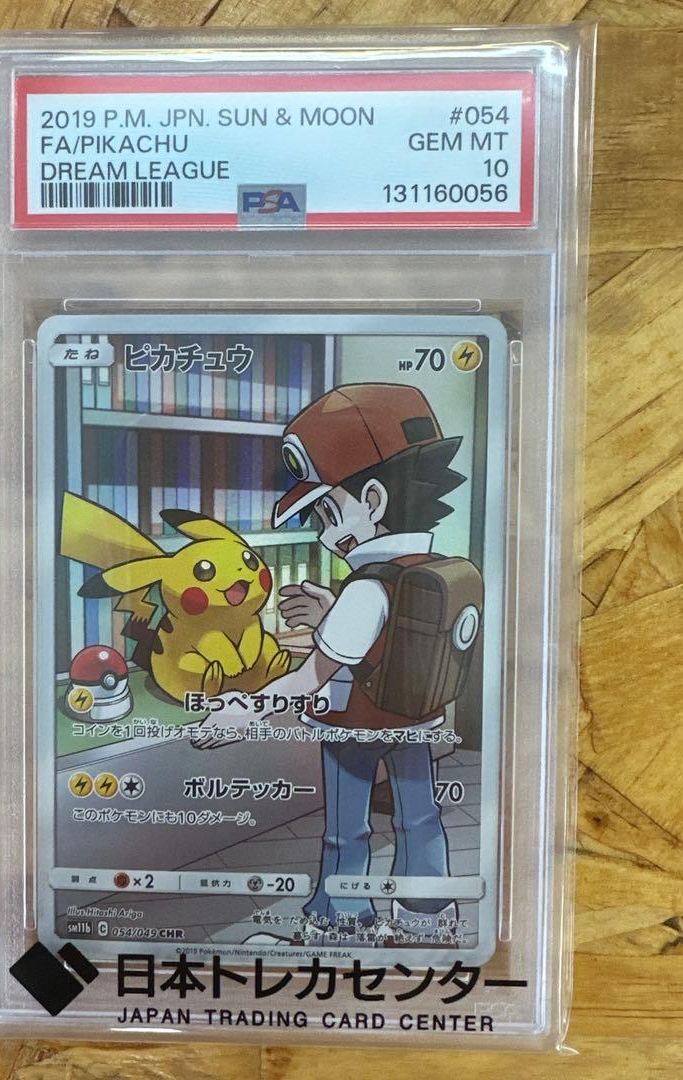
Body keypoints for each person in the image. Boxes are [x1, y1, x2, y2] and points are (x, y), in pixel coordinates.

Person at [195, 383, 473, 938]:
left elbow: (312, 676)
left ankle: (341, 921)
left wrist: (246, 709)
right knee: (420, 817)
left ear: (373, 501)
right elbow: (390, 640)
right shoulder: (430, 567)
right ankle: (426, 918)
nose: (326, 536)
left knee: (348, 831)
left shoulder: (366, 588)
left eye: (328, 512)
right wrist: (331, 614)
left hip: (353, 728)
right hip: (415, 720)